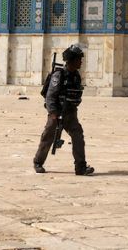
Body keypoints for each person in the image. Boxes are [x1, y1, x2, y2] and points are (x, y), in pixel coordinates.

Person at [33, 44, 93, 175]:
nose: (81, 62)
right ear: (72, 60)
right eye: (79, 59)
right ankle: (38, 162)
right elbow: (50, 96)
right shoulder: (59, 75)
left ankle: (80, 167)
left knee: (78, 136)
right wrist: (53, 113)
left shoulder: (76, 76)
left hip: (70, 113)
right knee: (48, 136)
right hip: (57, 113)